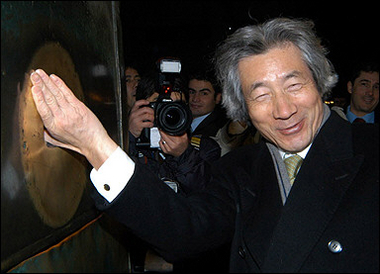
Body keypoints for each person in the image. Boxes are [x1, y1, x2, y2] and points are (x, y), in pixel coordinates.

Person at [30, 17, 378, 273]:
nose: (283, 110)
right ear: (243, 108)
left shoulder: (370, 151)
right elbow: (183, 232)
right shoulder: (242, 169)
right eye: (261, 95)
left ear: (320, 82)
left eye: (294, 85)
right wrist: (95, 144)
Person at [188, 70, 228, 137]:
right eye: (192, 92)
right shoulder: (178, 118)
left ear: (218, 98)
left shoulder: (221, 131)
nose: (195, 99)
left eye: (204, 94)